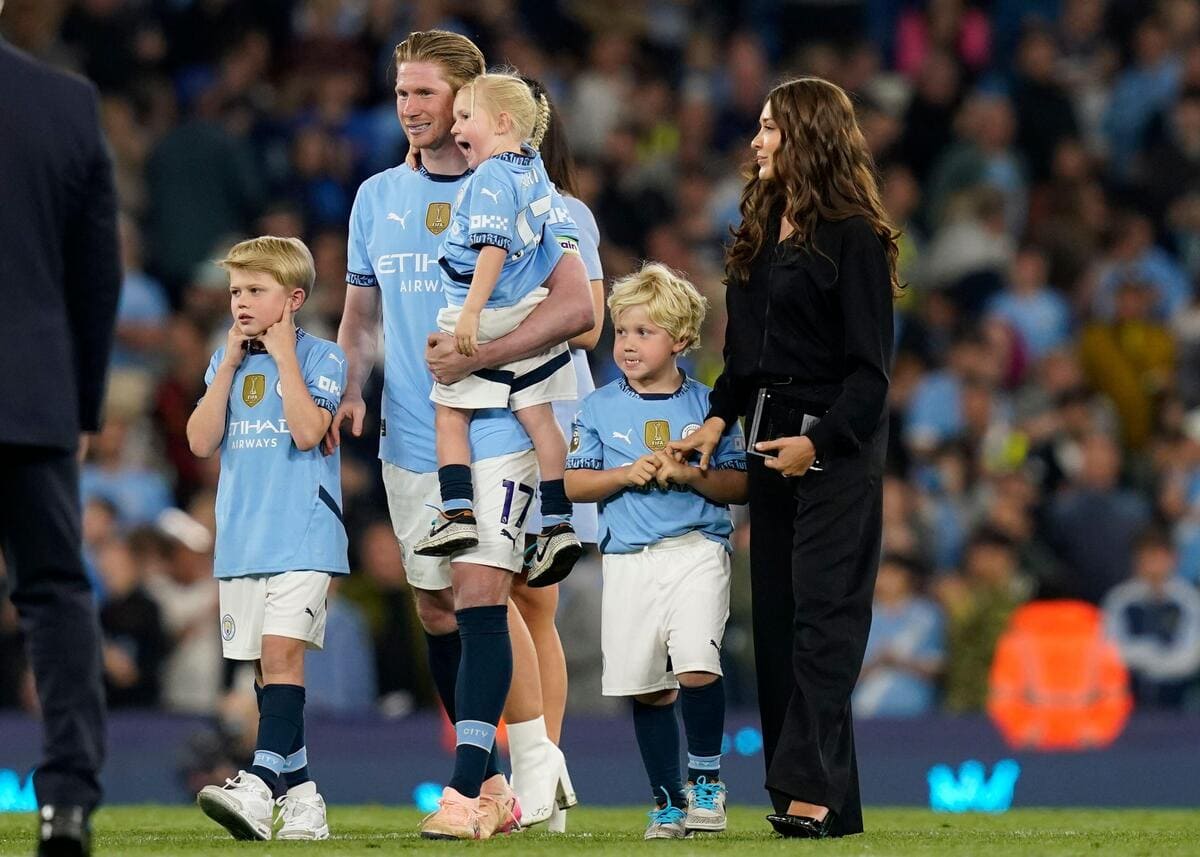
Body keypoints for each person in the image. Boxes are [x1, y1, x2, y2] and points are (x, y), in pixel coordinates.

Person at [327, 31, 593, 841]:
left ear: (468, 101)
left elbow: (581, 312)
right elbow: (360, 316)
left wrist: (481, 351)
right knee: (438, 608)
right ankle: (506, 781)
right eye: (400, 94)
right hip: (413, 433)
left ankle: (484, 783)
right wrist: (345, 383)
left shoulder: (527, 192)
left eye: (425, 95)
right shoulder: (376, 197)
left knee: (487, 594)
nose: (410, 110)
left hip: (501, 424)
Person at [671, 77, 898, 838]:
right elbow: (741, 358)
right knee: (779, 620)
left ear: (810, 135)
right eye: (760, 128)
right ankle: (831, 802)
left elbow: (872, 375)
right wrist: (715, 417)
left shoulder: (856, 235)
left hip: (834, 442)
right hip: (768, 437)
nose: (757, 140)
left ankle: (806, 791)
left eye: (771, 128)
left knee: (824, 620)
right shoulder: (760, 226)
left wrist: (820, 442)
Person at [565, 263, 748, 839]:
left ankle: (707, 786)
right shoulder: (596, 407)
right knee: (647, 685)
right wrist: (626, 473)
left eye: (645, 332)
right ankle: (668, 800)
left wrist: (690, 477)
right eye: (622, 332)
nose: (628, 344)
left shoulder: (710, 409)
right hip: (626, 560)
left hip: (696, 548)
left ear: (681, 340)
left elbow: (740, 484)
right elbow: (574, 483)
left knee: (697, 665)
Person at [0, 9, 121, 855]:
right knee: (53, 591)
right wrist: (79, 402)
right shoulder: (64, 102)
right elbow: (97, 272)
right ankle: (68, 800)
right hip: (30, 391)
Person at [187, 236, 348, 841]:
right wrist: (227, 364)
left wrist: (283, 359)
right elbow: (201, 441)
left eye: (256, 291)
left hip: (304, 533)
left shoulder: (323, 358)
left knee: (282, 657)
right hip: (242, 539)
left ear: (294, 298)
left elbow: (309, 432)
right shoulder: (222, 360)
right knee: (265, 672)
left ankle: (256, 783)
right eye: (235, 292)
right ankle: (303, 798)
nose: (241, 303)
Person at [413, 71, 582, 588]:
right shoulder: (534, 168)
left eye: (466, 117)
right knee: (538, 416)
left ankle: (458, 512)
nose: (456, 127)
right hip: (532, 306)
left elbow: (493, 247)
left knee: (447, 412)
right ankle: (557, 522)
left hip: (486, 308)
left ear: (503, 122)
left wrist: (469, 315)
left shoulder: (488, 177)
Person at [501, 74, 606, 833]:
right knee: (493, 592)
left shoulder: (566, 211)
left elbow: (592, 324)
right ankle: (539, 771)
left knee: (531, 596)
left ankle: (537, 771)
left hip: (548, 406)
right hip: (481, 406)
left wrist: (510, 320)